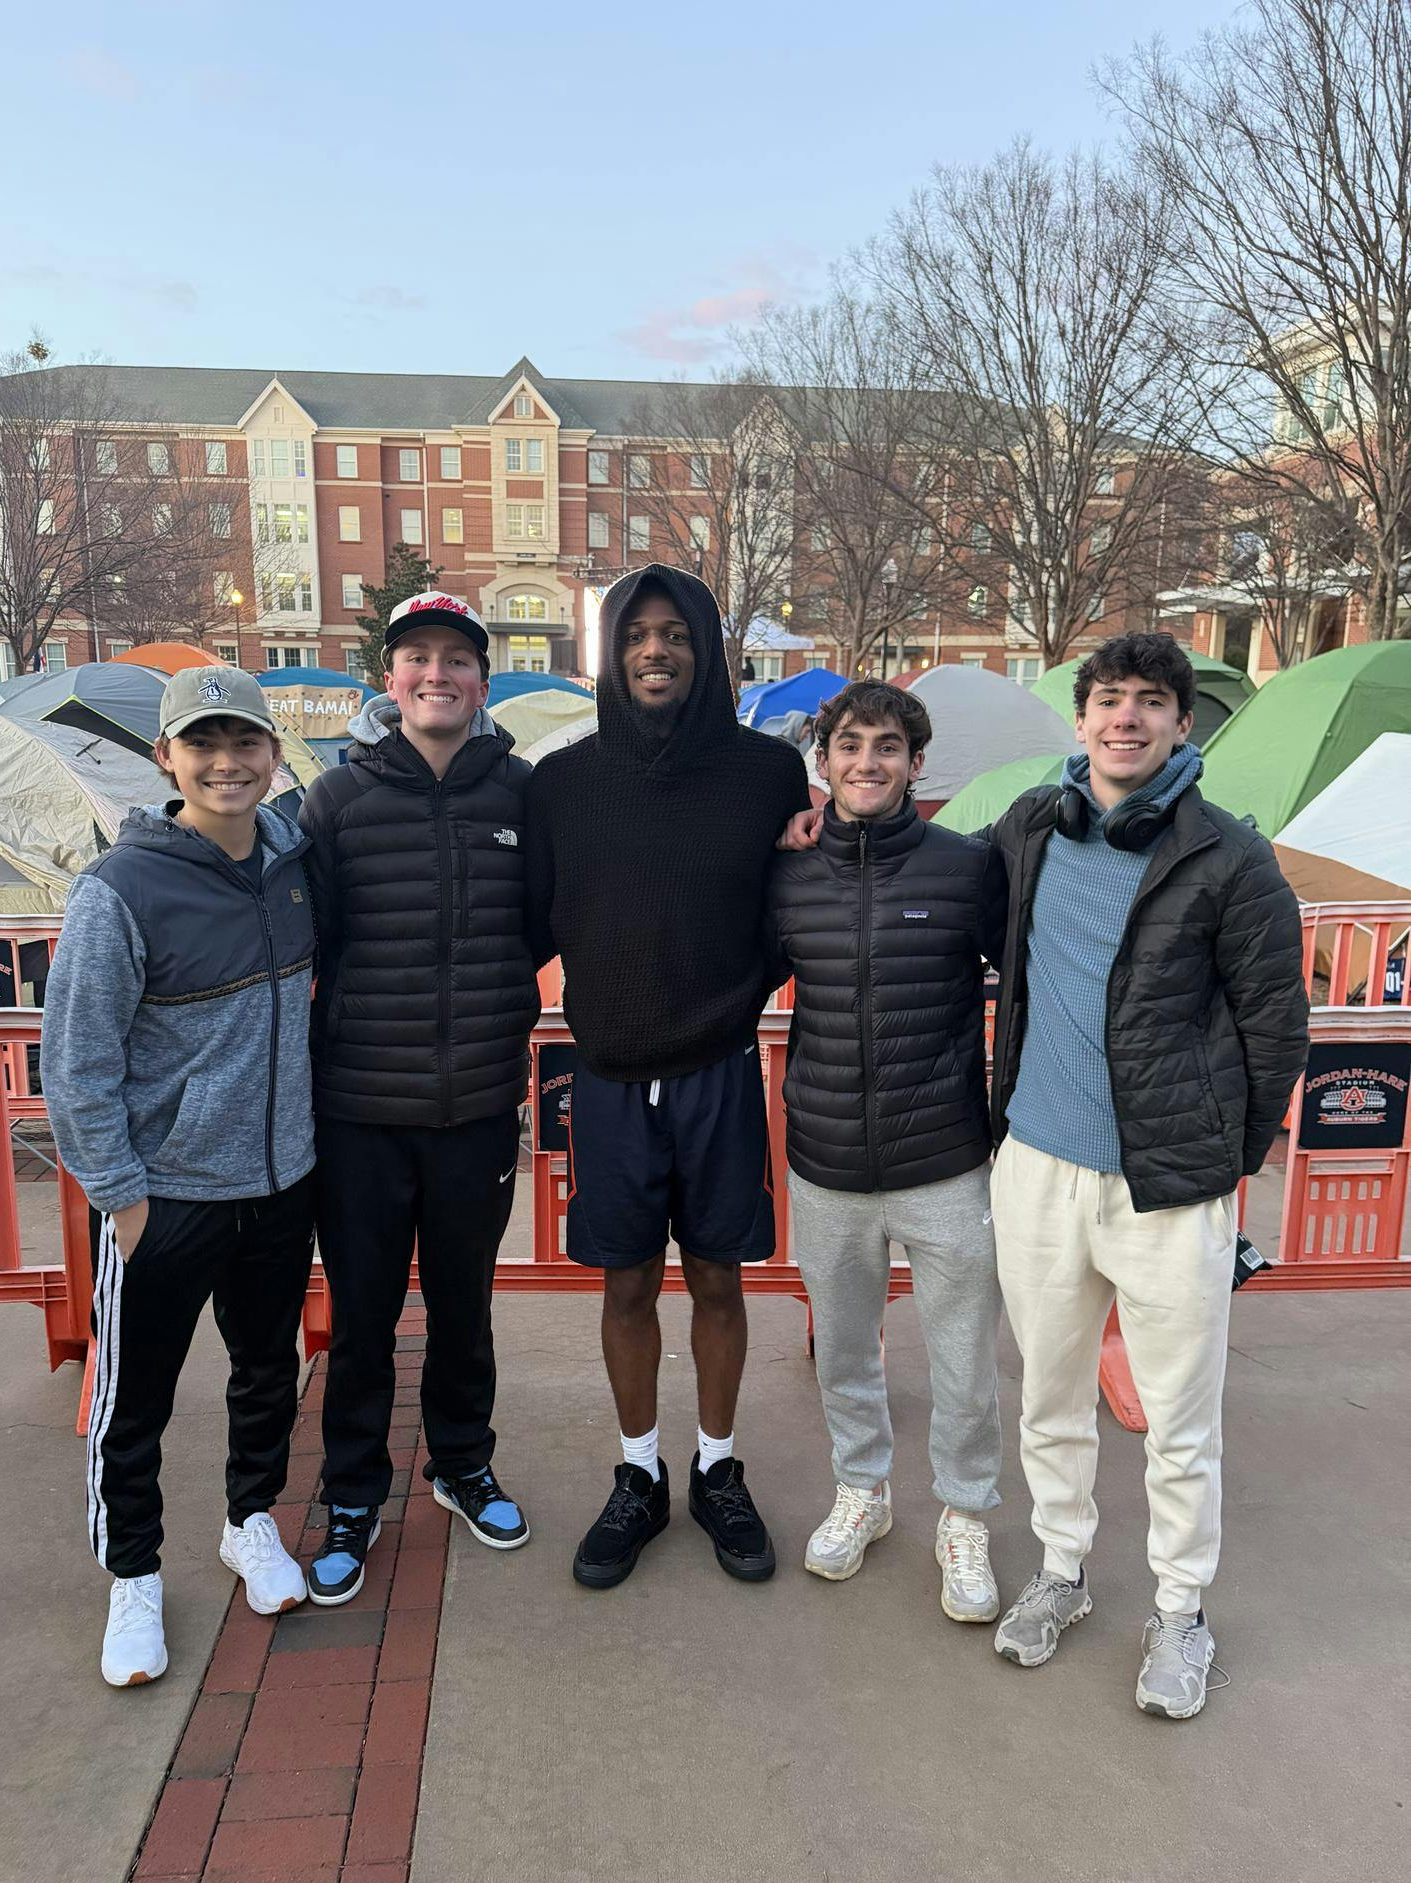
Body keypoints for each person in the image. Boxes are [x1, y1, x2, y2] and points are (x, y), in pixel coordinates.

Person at [980, 631, 1308, 1718]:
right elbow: (929, 876)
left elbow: (1275, 1022)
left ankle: (1180, 1610)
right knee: (1051, 1396)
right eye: (1109, 700)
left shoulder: (1229, 856)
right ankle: (1062, 1571)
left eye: (1150, 702)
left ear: (1181, 722)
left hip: (1169, 1186)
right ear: (1080, 722)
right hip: (1035, 1165)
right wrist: (823, 825)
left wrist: (1229, 1157)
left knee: (1180, 1418)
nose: (1127, 718)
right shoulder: (1033, 825)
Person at [525, 563, 811, 1589]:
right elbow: (525, 926)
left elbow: (793, 913)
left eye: (676, 633)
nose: (657, 649)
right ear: (612, 651)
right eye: (637, 633)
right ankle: (639, 1472)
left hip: (722, 1072)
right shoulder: (561, 782)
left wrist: (731, 989)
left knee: (722, 1277)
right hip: (606, 1078)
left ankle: (719, 1468)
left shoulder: (767, 774)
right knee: (629, 1278)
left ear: (706, 648)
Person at [42, 666, 318, 1687]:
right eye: (202, 743)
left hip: (282, 1181)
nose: (225, 761)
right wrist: (119, 1193)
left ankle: (250, 1520)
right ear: (166, 758)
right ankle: (134, 1572)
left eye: (244, 741)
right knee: (135, 1398)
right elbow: (76, 1059)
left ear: (272, 754)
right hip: (164, 1195)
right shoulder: (121, 888)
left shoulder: (293, 856)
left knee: (264, 1370)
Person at [300, 592, 539, 1605]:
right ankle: (354, 1492)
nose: (436, 673)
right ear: (386, 680)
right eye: (417, 658)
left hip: (477, 1103)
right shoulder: (337, 799)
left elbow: (559, 917)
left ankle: (460, 1461)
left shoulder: (523, 794)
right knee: (361, 1318)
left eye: (455, 658)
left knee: (464, 1306)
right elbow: (294, 931)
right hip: (359, 1112)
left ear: (481, 682)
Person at [765, 680, 1008, 1615]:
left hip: (945, 1161)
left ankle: (965, 1518)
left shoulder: (963, 868)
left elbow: (1026, 980)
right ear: (822, 761)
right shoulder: (785, 871)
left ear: (915, 762)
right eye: (851, 745)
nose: (869, 762)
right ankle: (862, 1492)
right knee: (845, 1355)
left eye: (889, 747)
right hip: (827, 1164)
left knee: (962, 1362)